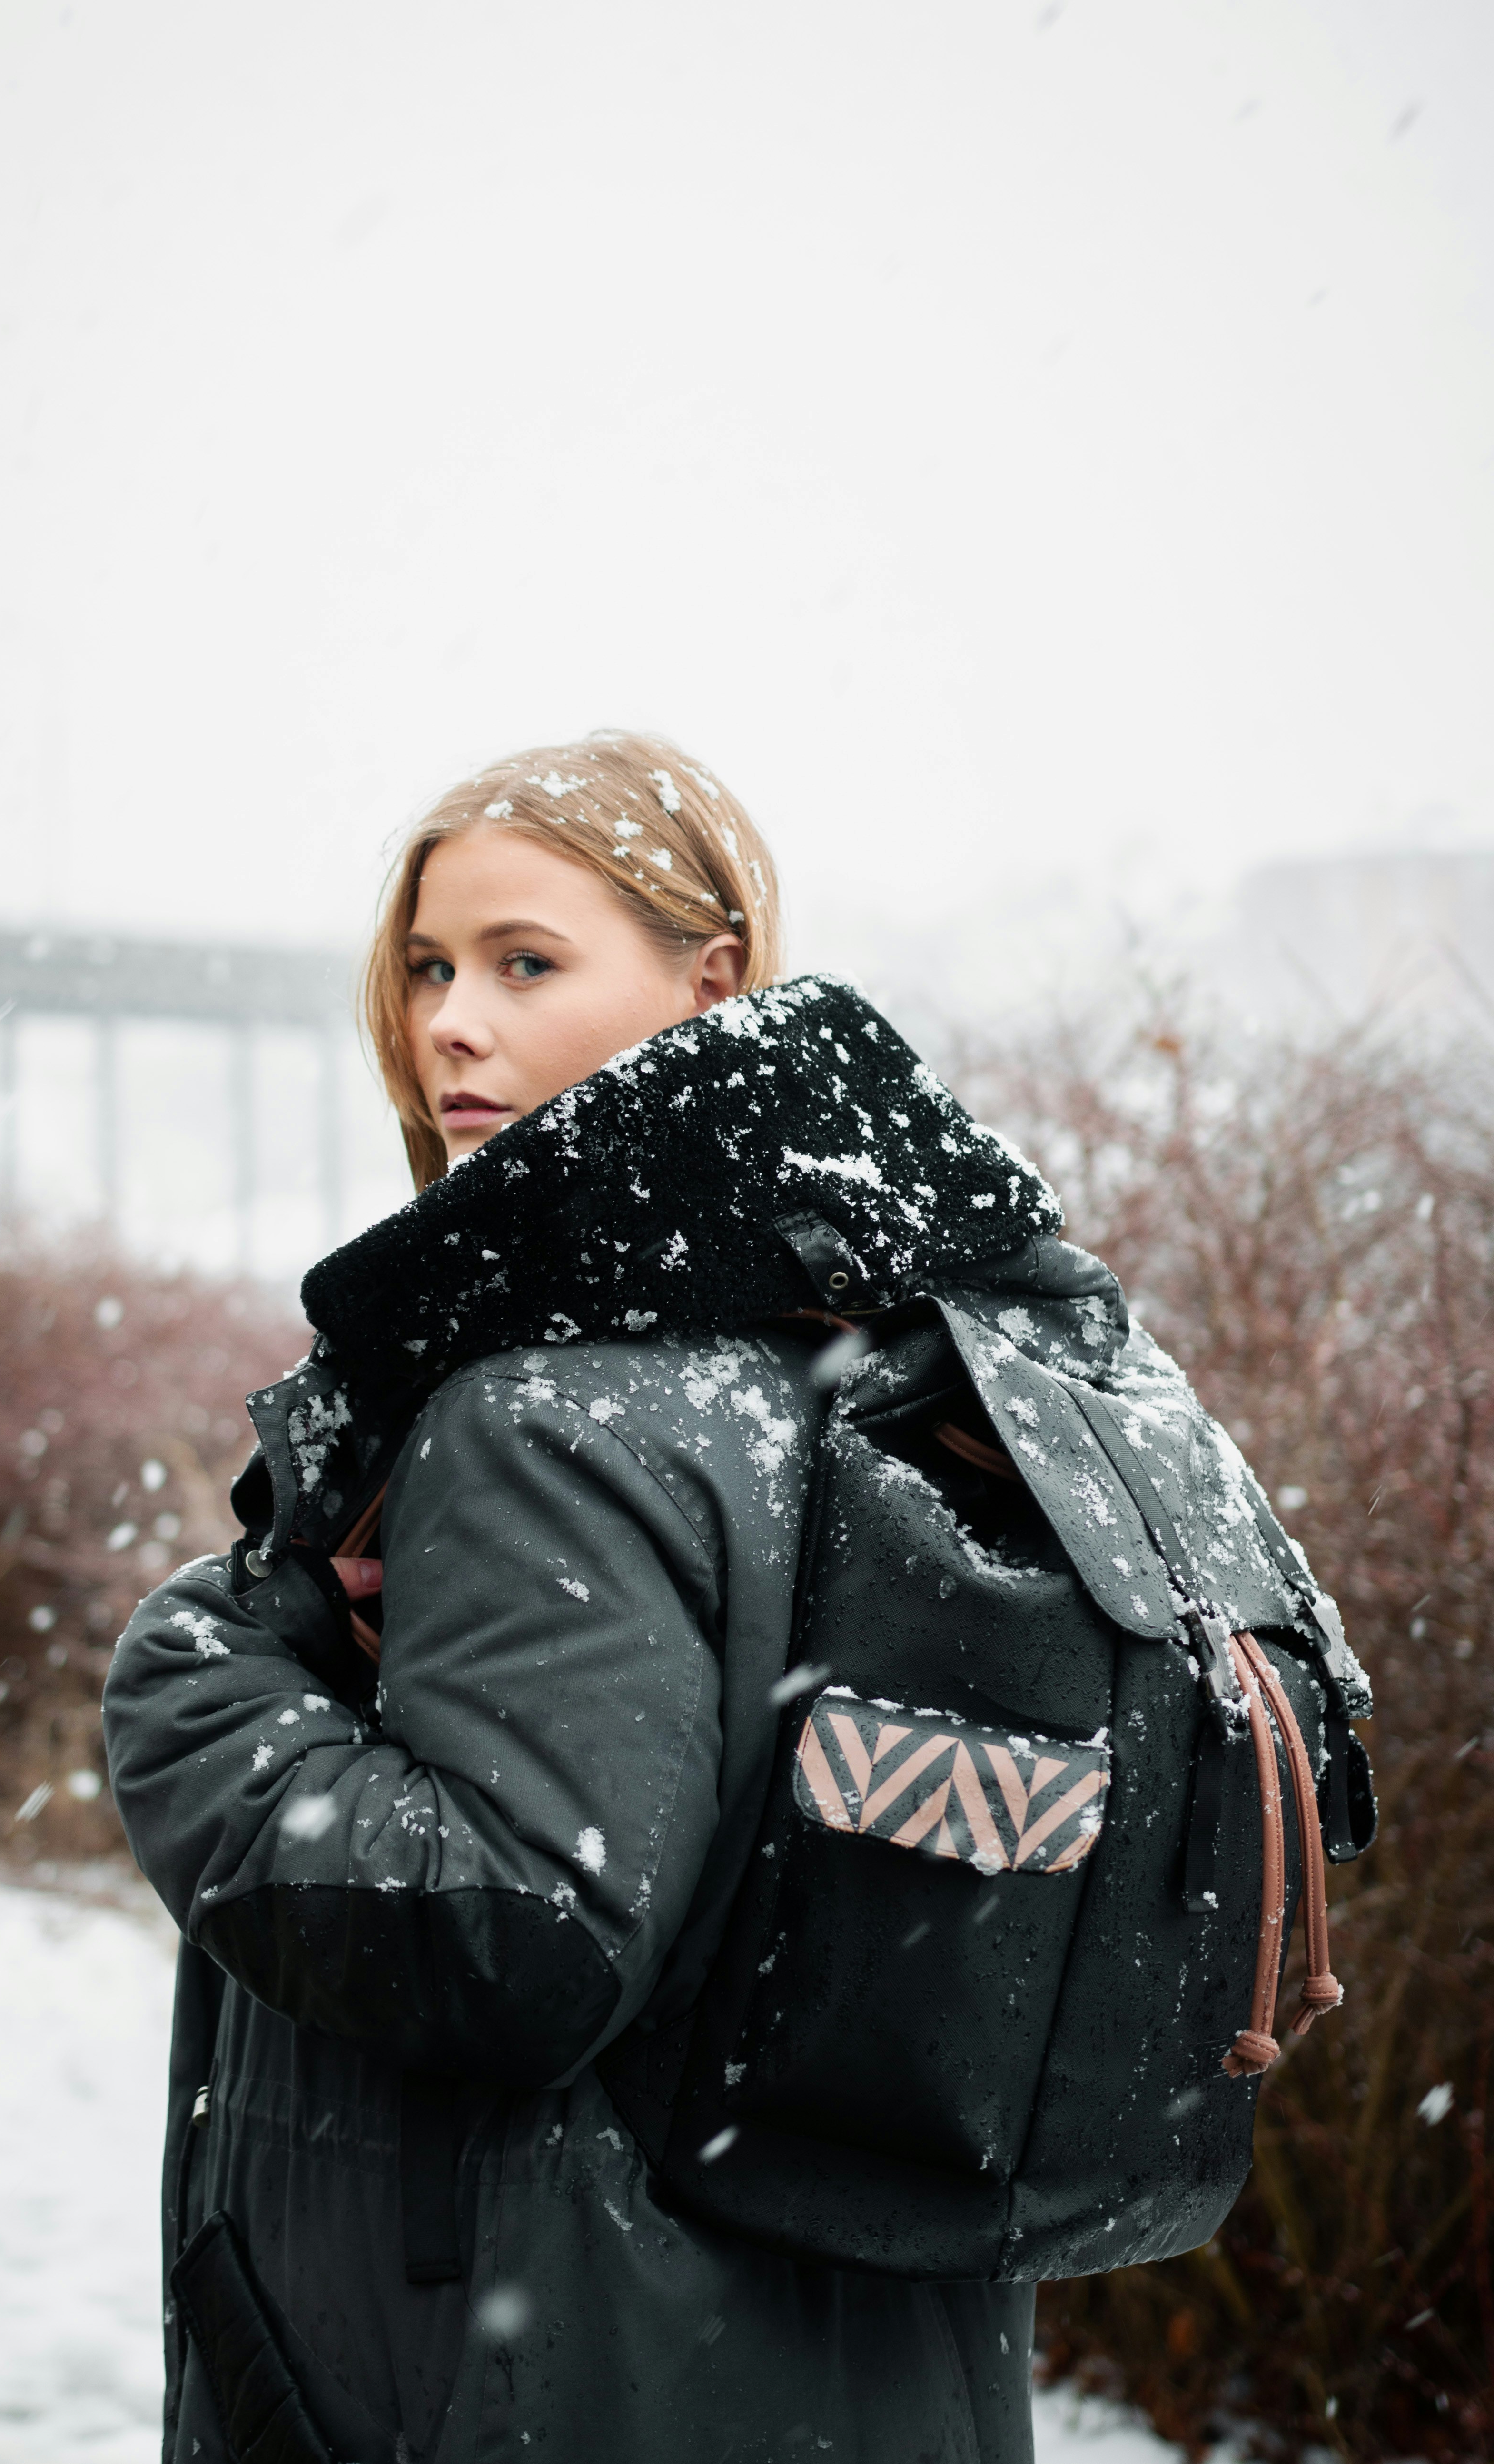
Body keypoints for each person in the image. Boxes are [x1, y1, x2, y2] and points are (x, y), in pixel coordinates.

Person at [104, 731, 1042, 2464]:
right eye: (428, 968)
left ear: (713, 983)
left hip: (544, 2365)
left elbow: (518, 1939)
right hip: (843, 2353)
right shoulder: (885, 1361)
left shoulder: (552, 1412)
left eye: (524, 963)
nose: (451, 1023)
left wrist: (199, 1681)